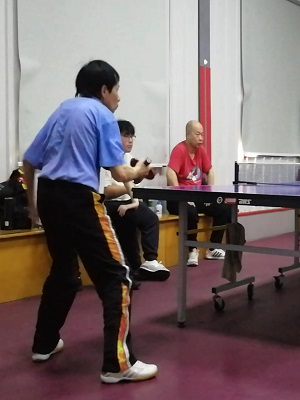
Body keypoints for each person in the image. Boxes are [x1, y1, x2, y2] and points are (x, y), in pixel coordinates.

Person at [22, 60, 158, 383]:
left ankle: (43, 344)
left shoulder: (62, 109)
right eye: (117, 90)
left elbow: (29, 160)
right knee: (118, 278)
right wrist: (140, 171)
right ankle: (117, 364)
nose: (119, 97)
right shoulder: (103, 114)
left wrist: (32, 206)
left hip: (49, 197)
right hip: (79, 199)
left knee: (64, 272)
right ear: (104, 90)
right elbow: (120, 173)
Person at [101, 119, 170, 288]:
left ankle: (143, 266)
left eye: (132, 136)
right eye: (126, 135)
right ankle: (139, 267)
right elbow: (107, 191)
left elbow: (134, 180)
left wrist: (141, 174)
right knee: (139, 221)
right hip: (108, 204)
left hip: (126, 202)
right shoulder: (105, 158)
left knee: (141, 221)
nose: (130, 140)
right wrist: (130, 187)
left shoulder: (128, 157)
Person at [165, 120, 232, 266]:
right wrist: (180, 195)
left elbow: (210, 171)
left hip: (198, 196)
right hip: (177, 198)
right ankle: (192, 250)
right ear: (188, 135)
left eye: (202, 134)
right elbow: (170, 173)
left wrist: (210, 194)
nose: (201, 138)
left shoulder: (201, 151)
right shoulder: (179, 150)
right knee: (191, 212)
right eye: (197, 134)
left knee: (224, 208)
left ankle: (213, 248)